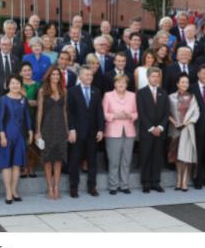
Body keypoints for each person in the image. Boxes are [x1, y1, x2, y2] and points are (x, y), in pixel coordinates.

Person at [67, 66, 105, 198]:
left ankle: (92, 186)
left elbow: (100, 111)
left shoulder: (96, 91)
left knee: (92, 160)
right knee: (74, 160)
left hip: (92, 133)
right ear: (80, 76)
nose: (89, 77)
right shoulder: (72, 91)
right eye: (87, 75)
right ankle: (74, 187)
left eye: (91, 75)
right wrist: (71, 129)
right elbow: (69, 113)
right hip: (77, 132)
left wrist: (101, 129)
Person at [0, 75, 33, 203]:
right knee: (6, 164)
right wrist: (2, 136)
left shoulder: (23, 99)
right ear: (8, 85)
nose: (15, 85)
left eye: (17, 83)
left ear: (21, 85)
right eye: (12, 83)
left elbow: (27, 116)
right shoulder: (3, 99)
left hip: (20, 136)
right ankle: (8, 192)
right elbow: (0, 119)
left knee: (17, 164)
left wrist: (30, 130)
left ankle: (14, 191)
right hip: (7, 135)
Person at [35, 66, 68, 199]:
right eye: (53, 74)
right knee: (47, 159)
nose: (55, 77)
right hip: (47, 127)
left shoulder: (64, 91)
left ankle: (56, 187)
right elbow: (39, 112)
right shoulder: (42, 91)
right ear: (49, 76)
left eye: (57, 75)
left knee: (58, 159)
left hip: (60, 128)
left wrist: (67, 129)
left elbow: (64, 112)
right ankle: (49, 187)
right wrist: (38, 131)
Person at [103, 74, 138, 194]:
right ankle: (113, 186)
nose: (121, 84)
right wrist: (114, 116)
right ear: (114, 84)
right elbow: (104, 113)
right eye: (119, 82)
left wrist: (130, 116)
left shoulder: (132, 95)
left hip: (129, 131)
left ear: (127, 84)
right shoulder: (108, 95)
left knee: (126, 160)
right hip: (113, 131)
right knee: (114, 160)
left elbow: (136, 113)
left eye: (123, 82)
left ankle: (124, 185)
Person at [137, 67, 169, 193]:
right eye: (153, 76)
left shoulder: (163, 93)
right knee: (146, 156)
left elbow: (166, 113)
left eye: (157, 76)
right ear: (148, 77)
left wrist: (160, 127)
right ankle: (145, 182)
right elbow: (141, 113)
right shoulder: (141, 93)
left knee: (157, 157)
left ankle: (156, 182)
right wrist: (151, 128)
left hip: (160, 132)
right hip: (147, 131)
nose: (155, 79)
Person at [168, 74, 199, 191]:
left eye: (187, 82)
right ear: (177, 84)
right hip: (175, 130)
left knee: (186, 156)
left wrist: (186, 123)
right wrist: (175, 122)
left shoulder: (192, 97)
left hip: (187, 129)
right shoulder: (170, 97)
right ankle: (178, 181)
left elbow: (196, 113)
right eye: (182, 82)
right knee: (177, 156)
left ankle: (184, 181)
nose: (185, 84)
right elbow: (166, 113)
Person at [19, 62, 40, 178]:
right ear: (20, 73)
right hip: (21, 117)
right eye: (25, 70)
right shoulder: (18, 85)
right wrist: (28, 101)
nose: (27, 72)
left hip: (34, 116)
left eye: (29, 70)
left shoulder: (37, 85)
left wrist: (35, 102)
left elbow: (40, 101)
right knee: (23, 142)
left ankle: (31, 167)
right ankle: (23, 167)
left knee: (32, 143)